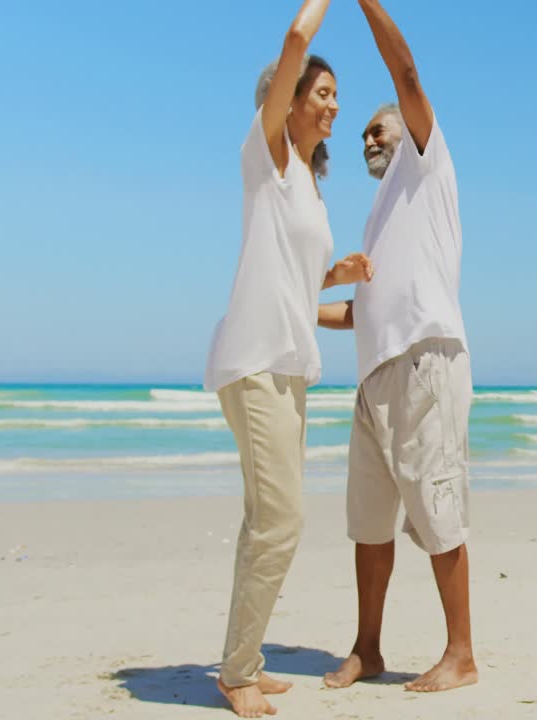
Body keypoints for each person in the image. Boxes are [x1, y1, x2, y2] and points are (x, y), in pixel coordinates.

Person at [203, 1, 374, 715]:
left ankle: (242, 660)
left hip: (288, 368)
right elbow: (297, 35)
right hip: (254, 364)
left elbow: (296, 294)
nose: (335, 105)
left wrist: (340, 283)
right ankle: (236, 672)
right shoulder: (266, 159)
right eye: (323, 93)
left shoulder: (306, 182)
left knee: (265, 522)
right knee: (281, 522)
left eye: (336, 95)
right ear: (290, 98)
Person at [321, 0, 476, 695]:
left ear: (406, 129)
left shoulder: (425, 162)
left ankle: (461, 654)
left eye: (374, 129)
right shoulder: (381, 213)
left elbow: (406, 72)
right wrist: (295, 309)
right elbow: (362, 313)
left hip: (423, 363)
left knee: (438, 508)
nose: (366, 140)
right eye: (361, 137)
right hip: (375, 375)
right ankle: (368, 649)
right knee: (369, 522)